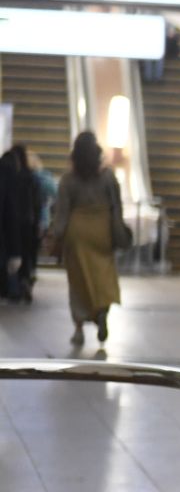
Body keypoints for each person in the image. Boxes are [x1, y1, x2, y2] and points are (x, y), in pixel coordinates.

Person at [47, 131, 129, 347]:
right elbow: (116, 206)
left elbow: (62, 213)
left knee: (78, 282)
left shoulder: (68, 179)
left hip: (77, 233)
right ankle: (102, 311)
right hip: (101, 230)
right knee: (103, 275)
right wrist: (118, 231)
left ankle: (79, 327)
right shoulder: (108, 176)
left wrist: (56, 235)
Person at [0, 145, 44, 304]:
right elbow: (37, 203)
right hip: (27, 222)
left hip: (12, 223)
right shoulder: (31, 177)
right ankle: (24, 280)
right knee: (25, 256)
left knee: (10, 255)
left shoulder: (10, 175)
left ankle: (13, 287)